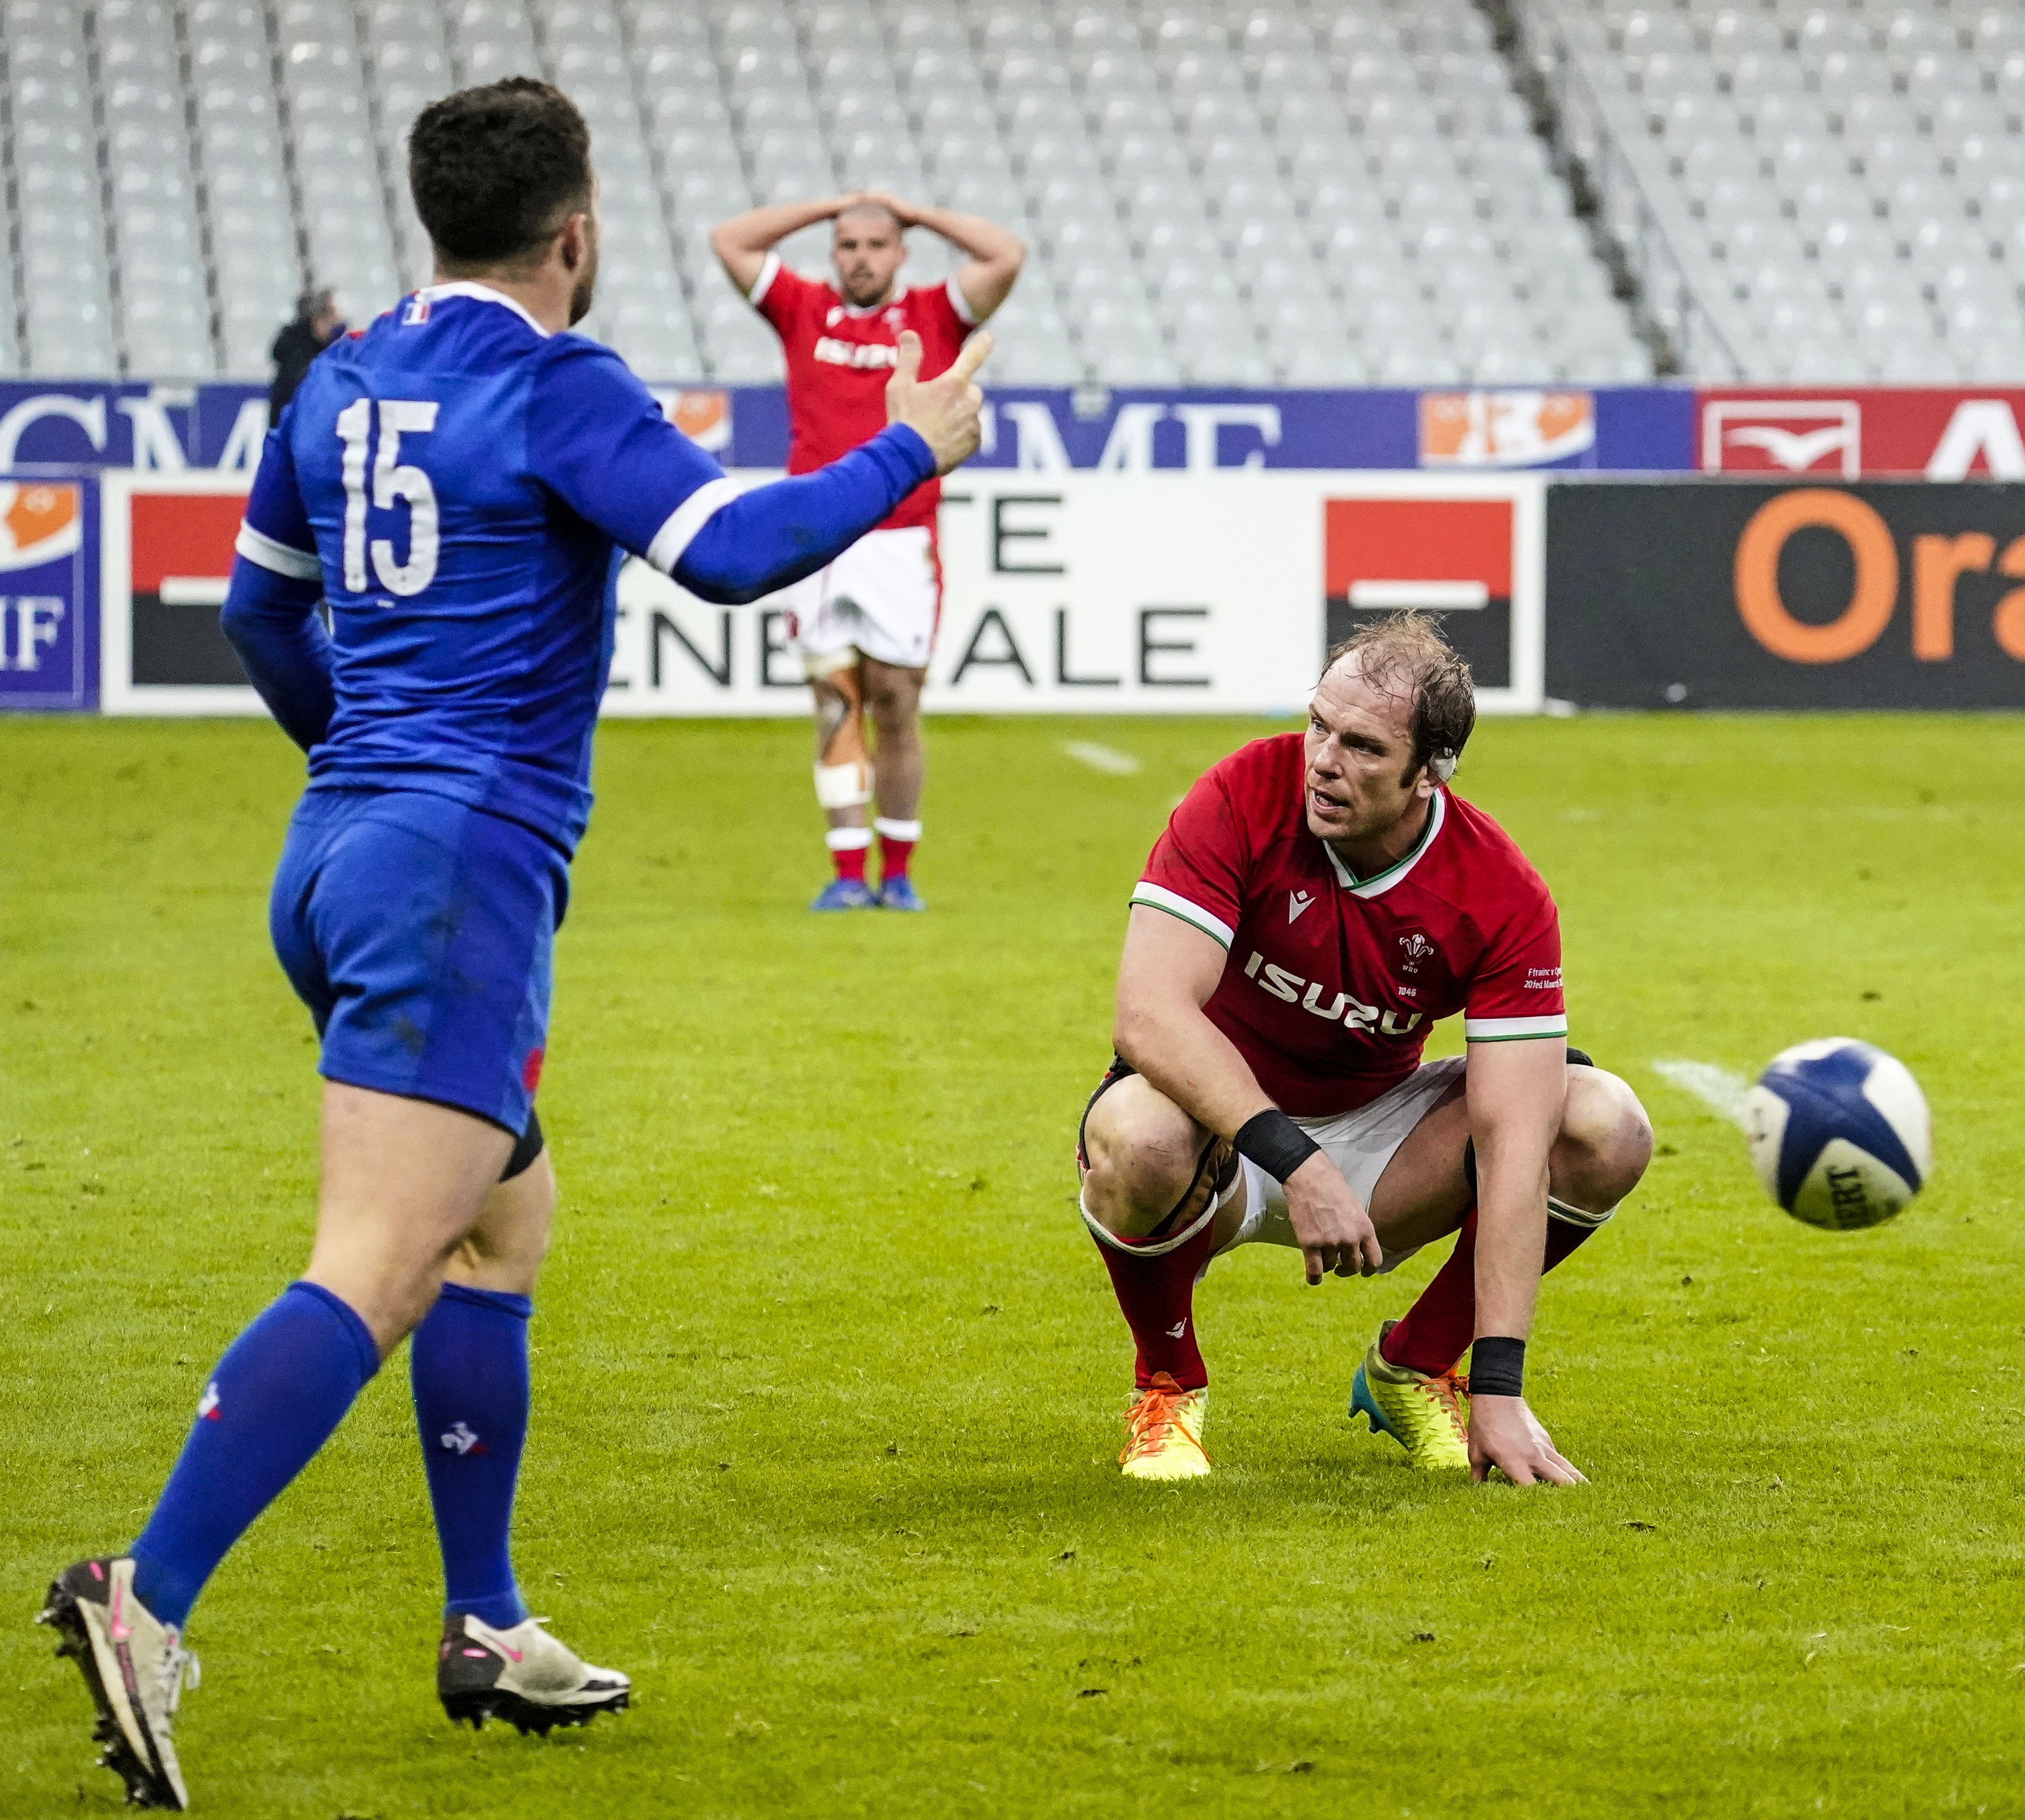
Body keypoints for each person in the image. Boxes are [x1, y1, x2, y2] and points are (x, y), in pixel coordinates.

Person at [37, 79, 989, 1812]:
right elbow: (737, 551)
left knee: (502, 1223)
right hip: (454, 870)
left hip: (339, 854)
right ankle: (145, 1593)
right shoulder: (557, 381)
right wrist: (914, 441)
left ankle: (486, 1622)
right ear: (577, 230)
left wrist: (362, 769)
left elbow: (257, 606)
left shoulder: (343, 376)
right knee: (380, 1264)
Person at [1075, 612, 1655, 1483]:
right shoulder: (1243, 792)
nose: (1323, 761)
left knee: (1605, 1127)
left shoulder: (1499, 892)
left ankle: (1418, 1367)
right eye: (1319, 725)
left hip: (1379, 1143)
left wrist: (1502, 1384)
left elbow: (1515, 1141)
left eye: (1363, 747)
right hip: (1219, 1130)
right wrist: (1296, 1163)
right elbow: (1149, 1016)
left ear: (1430, 773)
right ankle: (1167, 1385)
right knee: (1137, 1139)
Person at [710, 191, 1025, 911]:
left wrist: (914, 211)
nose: (861, 257)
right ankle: (848, 873)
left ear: (901, 253)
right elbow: (731, 237)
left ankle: (900, 869)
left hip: (901, 535)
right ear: (833, 253)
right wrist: (832, 205)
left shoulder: (936, 312)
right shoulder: (802, 307)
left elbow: (1005, 254)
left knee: (896, 698)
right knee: (834, 701)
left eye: (877, 245)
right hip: (816, 534)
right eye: (847, 245)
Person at [268, 289, 345, 426]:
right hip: (294, 425)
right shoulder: (296, 350)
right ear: (318, 321)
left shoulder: (323, 347)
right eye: (330, 323)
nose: (332, 329)